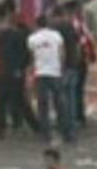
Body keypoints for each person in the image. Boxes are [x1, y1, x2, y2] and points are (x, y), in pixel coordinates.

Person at [0, 2, 39, 138]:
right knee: (16, 101)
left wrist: (19, 68)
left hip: (10, 72)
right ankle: (34, 126)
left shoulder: (13, 36)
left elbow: (23, 55)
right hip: (12, 72)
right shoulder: (12, 35)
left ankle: (0, 129)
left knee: (4, 100)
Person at [28, 14, 72, 143]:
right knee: (61, 104)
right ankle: (66, 132)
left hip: (40, 74)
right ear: (47, 23)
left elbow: (32, 58)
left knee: (43, 106)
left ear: (37, 24)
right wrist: (61, 69)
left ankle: (45, 134)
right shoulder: (57, 36)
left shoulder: (32, 39)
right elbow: (62, 54)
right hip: (55, 73)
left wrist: (31, 73)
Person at [51, 6, 80, 136]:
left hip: (60, 67)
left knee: (60, 98)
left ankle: (64, 126)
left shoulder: (54, 29)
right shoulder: (71, 26)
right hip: (73, 65)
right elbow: (78, 44)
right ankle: (72, 127)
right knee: (71, 97)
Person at [71, 2, 97, 127]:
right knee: (78, 90)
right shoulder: (80, 25)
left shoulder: (77, 25)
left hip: (75, 62)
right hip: (80, 61)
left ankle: (76, 116)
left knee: (74, 90)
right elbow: (88, 41)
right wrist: (92, 57)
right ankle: (79, 116)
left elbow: (85, 42)